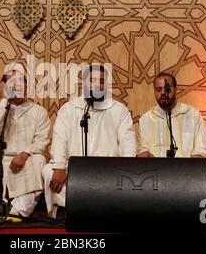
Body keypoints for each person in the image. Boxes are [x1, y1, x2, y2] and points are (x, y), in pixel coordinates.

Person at [42, 64, 137, 218]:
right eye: (92, 80)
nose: (97, 85)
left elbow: (128, 140)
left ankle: (101, 212)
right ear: (84, 84)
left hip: (107, 169)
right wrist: (59, 166)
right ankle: (66, 209)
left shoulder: (118, 109)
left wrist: (127, 168)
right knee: (48, 171)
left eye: (101, 81)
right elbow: (59, 138)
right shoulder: (70, 108)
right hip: (73, 168)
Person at [0, 68, 50, 221]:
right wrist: (4, 101)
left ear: (27, 86)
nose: (17, 85)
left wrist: (24, 154)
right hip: (1, 158)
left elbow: (42, 140)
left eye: (21, 81)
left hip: (26, 159)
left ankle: (17, 211)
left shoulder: (38, 111)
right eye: (11, 82)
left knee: (39, 161)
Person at [137, 72, 206, 158]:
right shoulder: (146, 119)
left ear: (175, 89)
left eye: (167, 89)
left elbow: (201, 148)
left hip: (186, 169)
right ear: (155, 92)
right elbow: (142, 150)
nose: (163, 93)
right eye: (159, 89)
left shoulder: (192, 114)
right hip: (155, 170)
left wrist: (194, 162)